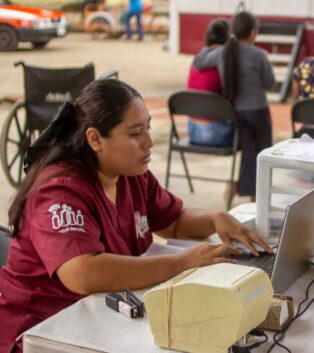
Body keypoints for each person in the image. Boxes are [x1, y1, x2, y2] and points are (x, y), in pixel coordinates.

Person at [0, 79, 272, 353]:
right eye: (135, 133)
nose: (149, 142)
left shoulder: (130, 175)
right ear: (95, 139)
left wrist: (215, 217)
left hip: (104, 320)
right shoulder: (59, 190)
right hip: (43, 331)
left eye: (149, 128)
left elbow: (174, 222)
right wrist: (184, 262)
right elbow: (82, 273)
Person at [193, 11, 275, 202]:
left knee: (248, 152)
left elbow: (198, 63)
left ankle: (242, 189)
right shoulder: (259, 54)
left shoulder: (223, 52)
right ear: (253, 32)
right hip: (259, 111)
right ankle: (257, 197)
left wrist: (210, 48)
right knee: (263, 153)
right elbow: (269, 83)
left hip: (236, 112)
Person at [186, 19, 234, 147]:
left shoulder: (197, 59)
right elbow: (231, 94)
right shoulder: (223, 60)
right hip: (216, 134)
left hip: (192, 130)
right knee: (249, 133)